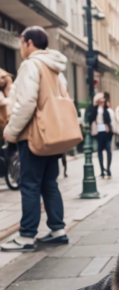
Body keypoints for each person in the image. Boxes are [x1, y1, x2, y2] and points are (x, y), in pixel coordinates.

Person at [1, 26, 69, 252]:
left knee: (29, 185)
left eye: (22, 43)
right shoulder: (56, 68)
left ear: (28, 42)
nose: (21, 48)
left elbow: (27, 102)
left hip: (34, 135)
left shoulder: (31, 64)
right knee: (50, 183)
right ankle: (58, 229)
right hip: (53, 134)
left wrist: (11, 130)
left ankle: (27, 236)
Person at [89, 92, 114, 179]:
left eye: (103, 101)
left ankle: (108, 169)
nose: (102, 102)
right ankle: (102, 171)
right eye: (100, 101)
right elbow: (91, 117)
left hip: (107, 133)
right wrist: (94, 105)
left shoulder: (107, 110)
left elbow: (109, 120)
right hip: (99, 132)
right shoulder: (95, 109)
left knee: (108, 151)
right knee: (99, 151)